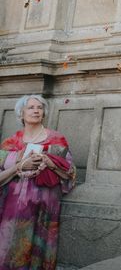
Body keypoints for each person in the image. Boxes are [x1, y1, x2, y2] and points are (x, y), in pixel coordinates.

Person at [0, 95, 76, 270]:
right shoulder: (10, 143)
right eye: (31, 107)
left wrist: (51, 164)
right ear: (21, 114)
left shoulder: (56, 140)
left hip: (45, 208)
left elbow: (69, 174)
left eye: (40, 107)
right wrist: (19, 166)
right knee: (9, 250)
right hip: (12, 209)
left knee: (38, 252)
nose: (36, 110)